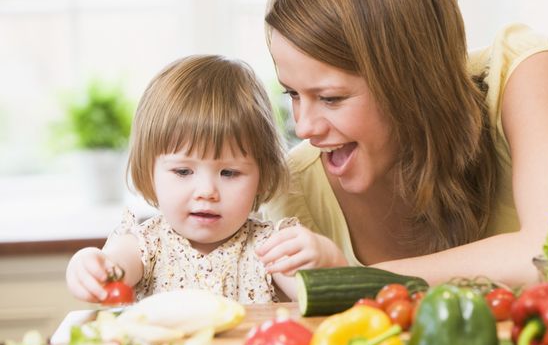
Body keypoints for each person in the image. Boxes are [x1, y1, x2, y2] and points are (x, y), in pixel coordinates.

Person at [256, 0, 548, 287]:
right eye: (292, 94)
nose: (304, 128)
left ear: (410, 82)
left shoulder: (522, 75)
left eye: (330, 98)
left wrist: (356, 280)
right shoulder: (298, 190)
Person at [66, 55, 346, 304]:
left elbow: (324, 298)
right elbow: (113, 268)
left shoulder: (268, 248)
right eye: (183, 172)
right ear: (149, 172)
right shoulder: (146, 244)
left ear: (262, 177)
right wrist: (88, 266)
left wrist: (328, 259)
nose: (207, 192)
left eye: (229, 173)